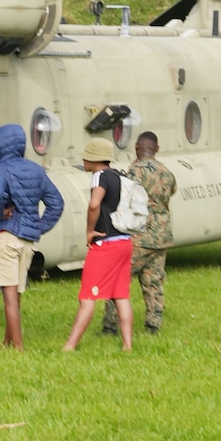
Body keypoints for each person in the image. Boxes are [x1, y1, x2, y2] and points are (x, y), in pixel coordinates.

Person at [0, 123, 65, 351]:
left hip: (7, 235)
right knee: (16, 291)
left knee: (8, 293)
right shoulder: (36, 169)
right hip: (27, 241)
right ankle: (8, 341)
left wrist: (0, 212)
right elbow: (56, 203)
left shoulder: (1, 169)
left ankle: (18, 346)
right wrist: (39, 227)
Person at [61, 136, 134, 352]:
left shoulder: (99, 176)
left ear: (94, 159)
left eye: (86, 157)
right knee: (121, 295)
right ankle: (127, 345)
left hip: (106, 244)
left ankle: (70, 345)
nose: (83, 160)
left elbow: (94, 204)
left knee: (87, 296)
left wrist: (89, 230)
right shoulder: (119, 176)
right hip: (124, 241)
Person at [104, 131, 176, 337]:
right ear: (157, 149)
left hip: (139, 236)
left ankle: (110, 326)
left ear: (136, 148)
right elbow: (170, 193)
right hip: (162, 235)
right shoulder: (167, 172)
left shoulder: (135, 171)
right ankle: (153, 324)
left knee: (118, 279)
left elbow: (124, 199)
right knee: (153, 281)